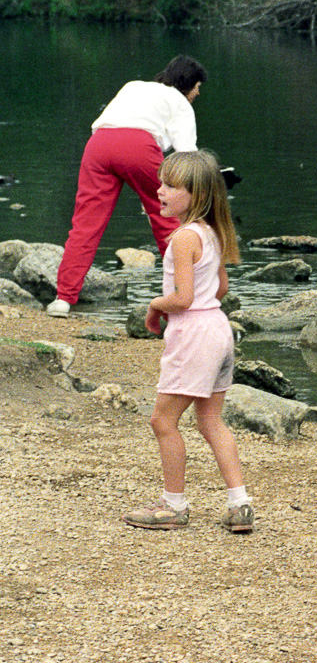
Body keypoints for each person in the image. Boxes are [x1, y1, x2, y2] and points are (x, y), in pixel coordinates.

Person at [121, 150, 253, 534]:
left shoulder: (182, 237)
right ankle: (239, 503)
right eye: (161, 182)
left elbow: (182, 299)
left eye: (170, 185)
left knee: (163, 420)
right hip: (219, 330)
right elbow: (222, 288)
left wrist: (153, 305)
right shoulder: (213, 232)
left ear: (196, 195)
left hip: (194, 333)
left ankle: (173, 505)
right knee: (211, 420)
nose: (159, 190)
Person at [47, 55, 207, 317]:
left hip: (98, 146)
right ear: (189, 84)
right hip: (138, 147)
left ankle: (63, 299)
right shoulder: (180, 103)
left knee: (85, 226)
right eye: (198, 88)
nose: (197, 94)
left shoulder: (133, 86)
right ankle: (183, 296)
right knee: (167, 219)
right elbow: (186, 154)